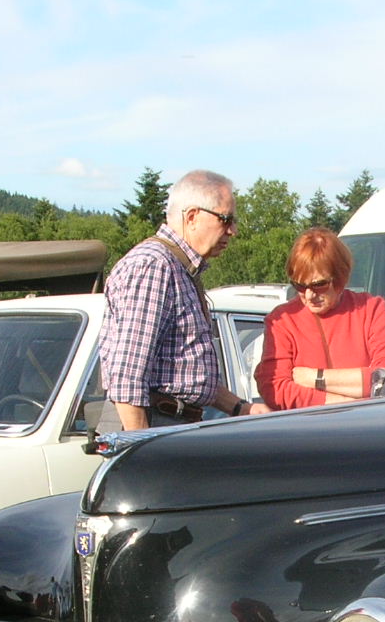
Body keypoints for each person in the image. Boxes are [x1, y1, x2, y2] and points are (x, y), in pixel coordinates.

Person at [97, 169, 269, 428]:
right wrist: (143, 451)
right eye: (226, 219)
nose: (233, 231)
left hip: (168, 422)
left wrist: (241, 408)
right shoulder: (154, 266)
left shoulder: (177, 267)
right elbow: (128, 376)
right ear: (192, 217)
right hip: (152, 425)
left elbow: (184, 375)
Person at [255, 227, 385, 410]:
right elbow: (275, 389)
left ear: (341, 278)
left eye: (319, 285)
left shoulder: (371, 309)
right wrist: (350, 404)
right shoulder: (281, 320)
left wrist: (314, 378)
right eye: (299, 285)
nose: (308, 295)